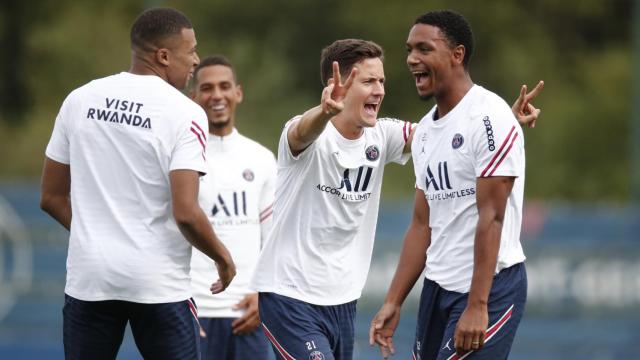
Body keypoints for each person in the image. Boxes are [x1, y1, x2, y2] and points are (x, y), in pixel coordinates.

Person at [250, 38, 541, 359]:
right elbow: (301, 132)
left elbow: (447, 135)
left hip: (342, 301)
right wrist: (322, 112)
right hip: (288, 297)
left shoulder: (382, 135)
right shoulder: (304, 135)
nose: (379, 90)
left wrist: (504, 124)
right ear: (338, 85)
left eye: (382, 81)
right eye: (368, 81)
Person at [39, 8, 235, 360]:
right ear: (163, 56)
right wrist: (224, 260)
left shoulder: (79, 99)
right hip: (158, 286)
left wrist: (94, 237)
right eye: (191, 50)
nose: (196, 60)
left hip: (90, 280)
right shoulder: (186, 112)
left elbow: (51, 197)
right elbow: (187, 213)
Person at [369, 10, 543, 360]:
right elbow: (421, 225)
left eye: (424, 49)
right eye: (409, 50)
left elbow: (491, 217)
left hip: (489, 290)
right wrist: (393, 300)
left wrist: (478, 306)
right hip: (438, 289)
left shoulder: (490, 117)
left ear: (457, 54)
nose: (412, 60)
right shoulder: (424, 133)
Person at [189, 55, 276, 360]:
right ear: (194, 97)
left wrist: (264, 299)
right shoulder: (182, 159)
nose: (217, 95)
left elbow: (274, 240)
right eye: (207, 88)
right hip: (194, 311)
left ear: (238, 92)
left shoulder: (262, 159)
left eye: (224, 86)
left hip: (247, 313)